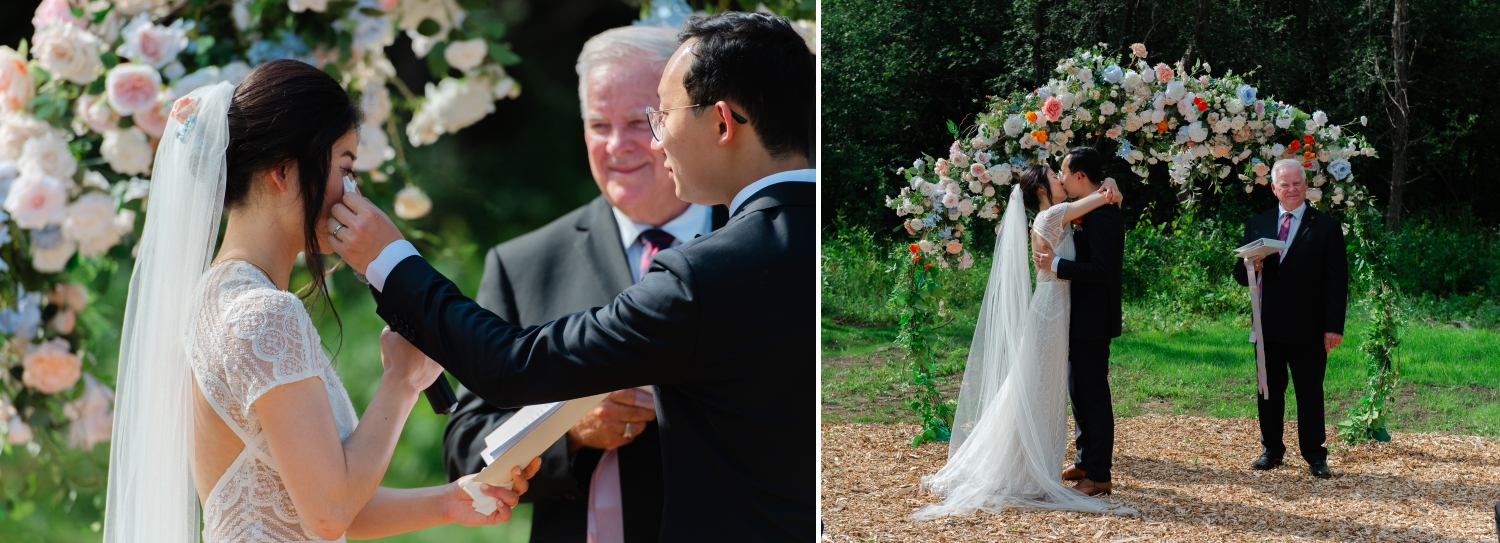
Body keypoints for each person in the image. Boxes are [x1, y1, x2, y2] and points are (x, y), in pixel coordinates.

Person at [327, 12, 816, 541]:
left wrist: (390, 259)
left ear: (722, 122)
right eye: (600, 125)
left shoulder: (704, 271)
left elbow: (513, 363)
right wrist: (573, 433)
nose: (651, 139)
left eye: (659, 116)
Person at [102, 60, 539, 542]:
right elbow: (329, 512)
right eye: (345, 169)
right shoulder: (264, 313)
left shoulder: (211, 297)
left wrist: (450, 501)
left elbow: (321, 498)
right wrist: (402, 381)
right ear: (285, 170)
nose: (353, 192)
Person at [442, 25, 726, 543]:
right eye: (598, 124)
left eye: (640, 121)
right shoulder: (524, 264)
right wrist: (568, 433)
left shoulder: (757, 237)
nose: (617, 145)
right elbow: (466, 448)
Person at [915, 165, 1133, 518]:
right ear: (1043, 189)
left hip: (1056, 309)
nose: (1060, 179)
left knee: (1037, 387)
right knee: (1040, 389)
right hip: (1051, 311)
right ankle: (1030, 468)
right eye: (1054, 174)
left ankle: (1035, 463)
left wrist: (1106, 182)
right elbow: (1103, 197)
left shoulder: (1050, 216)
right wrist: (1110, 185)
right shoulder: (1055, 213)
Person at [1232, 158, 1348, 479]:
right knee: (1268, 389)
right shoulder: (1258, 223)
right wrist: (1249, 268)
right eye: (1285, 184)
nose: (1291, 189)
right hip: (1267, 325)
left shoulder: (1325, 226)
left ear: (1306, 186)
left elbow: (1337, 281)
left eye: (1297, 183)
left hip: (1309, 328)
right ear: (1274, 188)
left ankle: (1315, 454)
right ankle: (1271, 450)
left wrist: (1333, 327)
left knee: (1309, 391)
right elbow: (1239, 274)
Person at [1032, 147, 1126, 497]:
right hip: (1073, 317)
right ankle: (1085, 459)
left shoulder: (1104, 215)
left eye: (1064, 171)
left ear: (1080, 177)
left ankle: (1100, 474)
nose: (1061, 176)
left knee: (1094, 396)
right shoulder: (1091, 207)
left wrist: (1055, 265)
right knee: (1078, 392)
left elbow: (1102, 271)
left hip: (1092, 319)